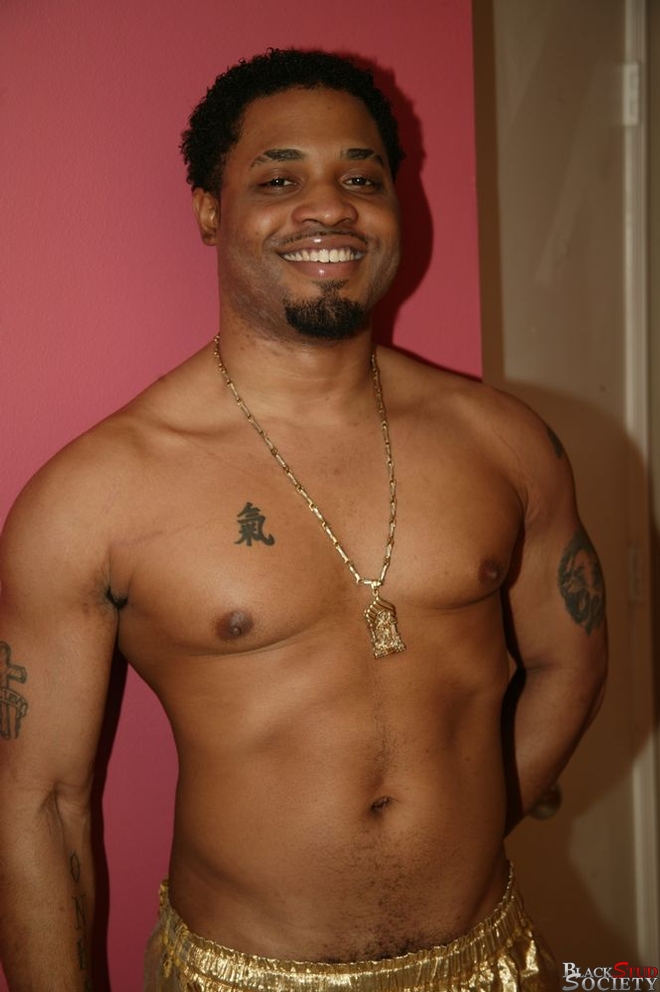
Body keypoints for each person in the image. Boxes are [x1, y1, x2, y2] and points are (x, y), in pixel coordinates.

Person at [0, 48, 606, 992]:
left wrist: (466, 832)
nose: (330, 209)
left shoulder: (504, 441)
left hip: (494, 961)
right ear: (211, 209)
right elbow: (38, 805)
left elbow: (572, 660)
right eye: (279, 180)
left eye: (361, 179)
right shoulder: (94, 495)